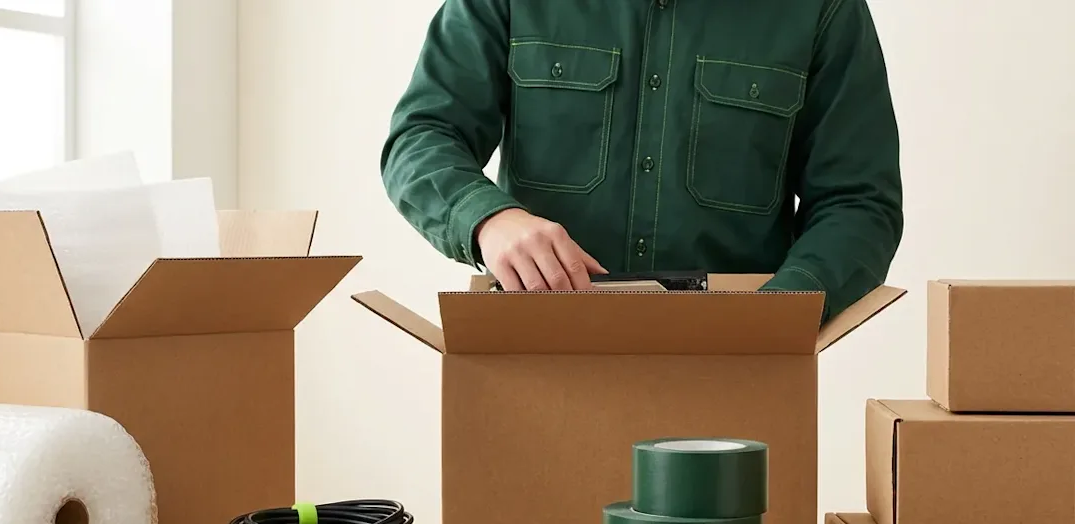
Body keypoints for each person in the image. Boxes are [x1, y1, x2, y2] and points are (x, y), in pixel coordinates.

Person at [380, 0, 902, 322]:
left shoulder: (821, 8)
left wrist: (780, 313)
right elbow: (423, 134)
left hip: (738, 379)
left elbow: (859, 201)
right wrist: (489, 220)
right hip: (537, 355)